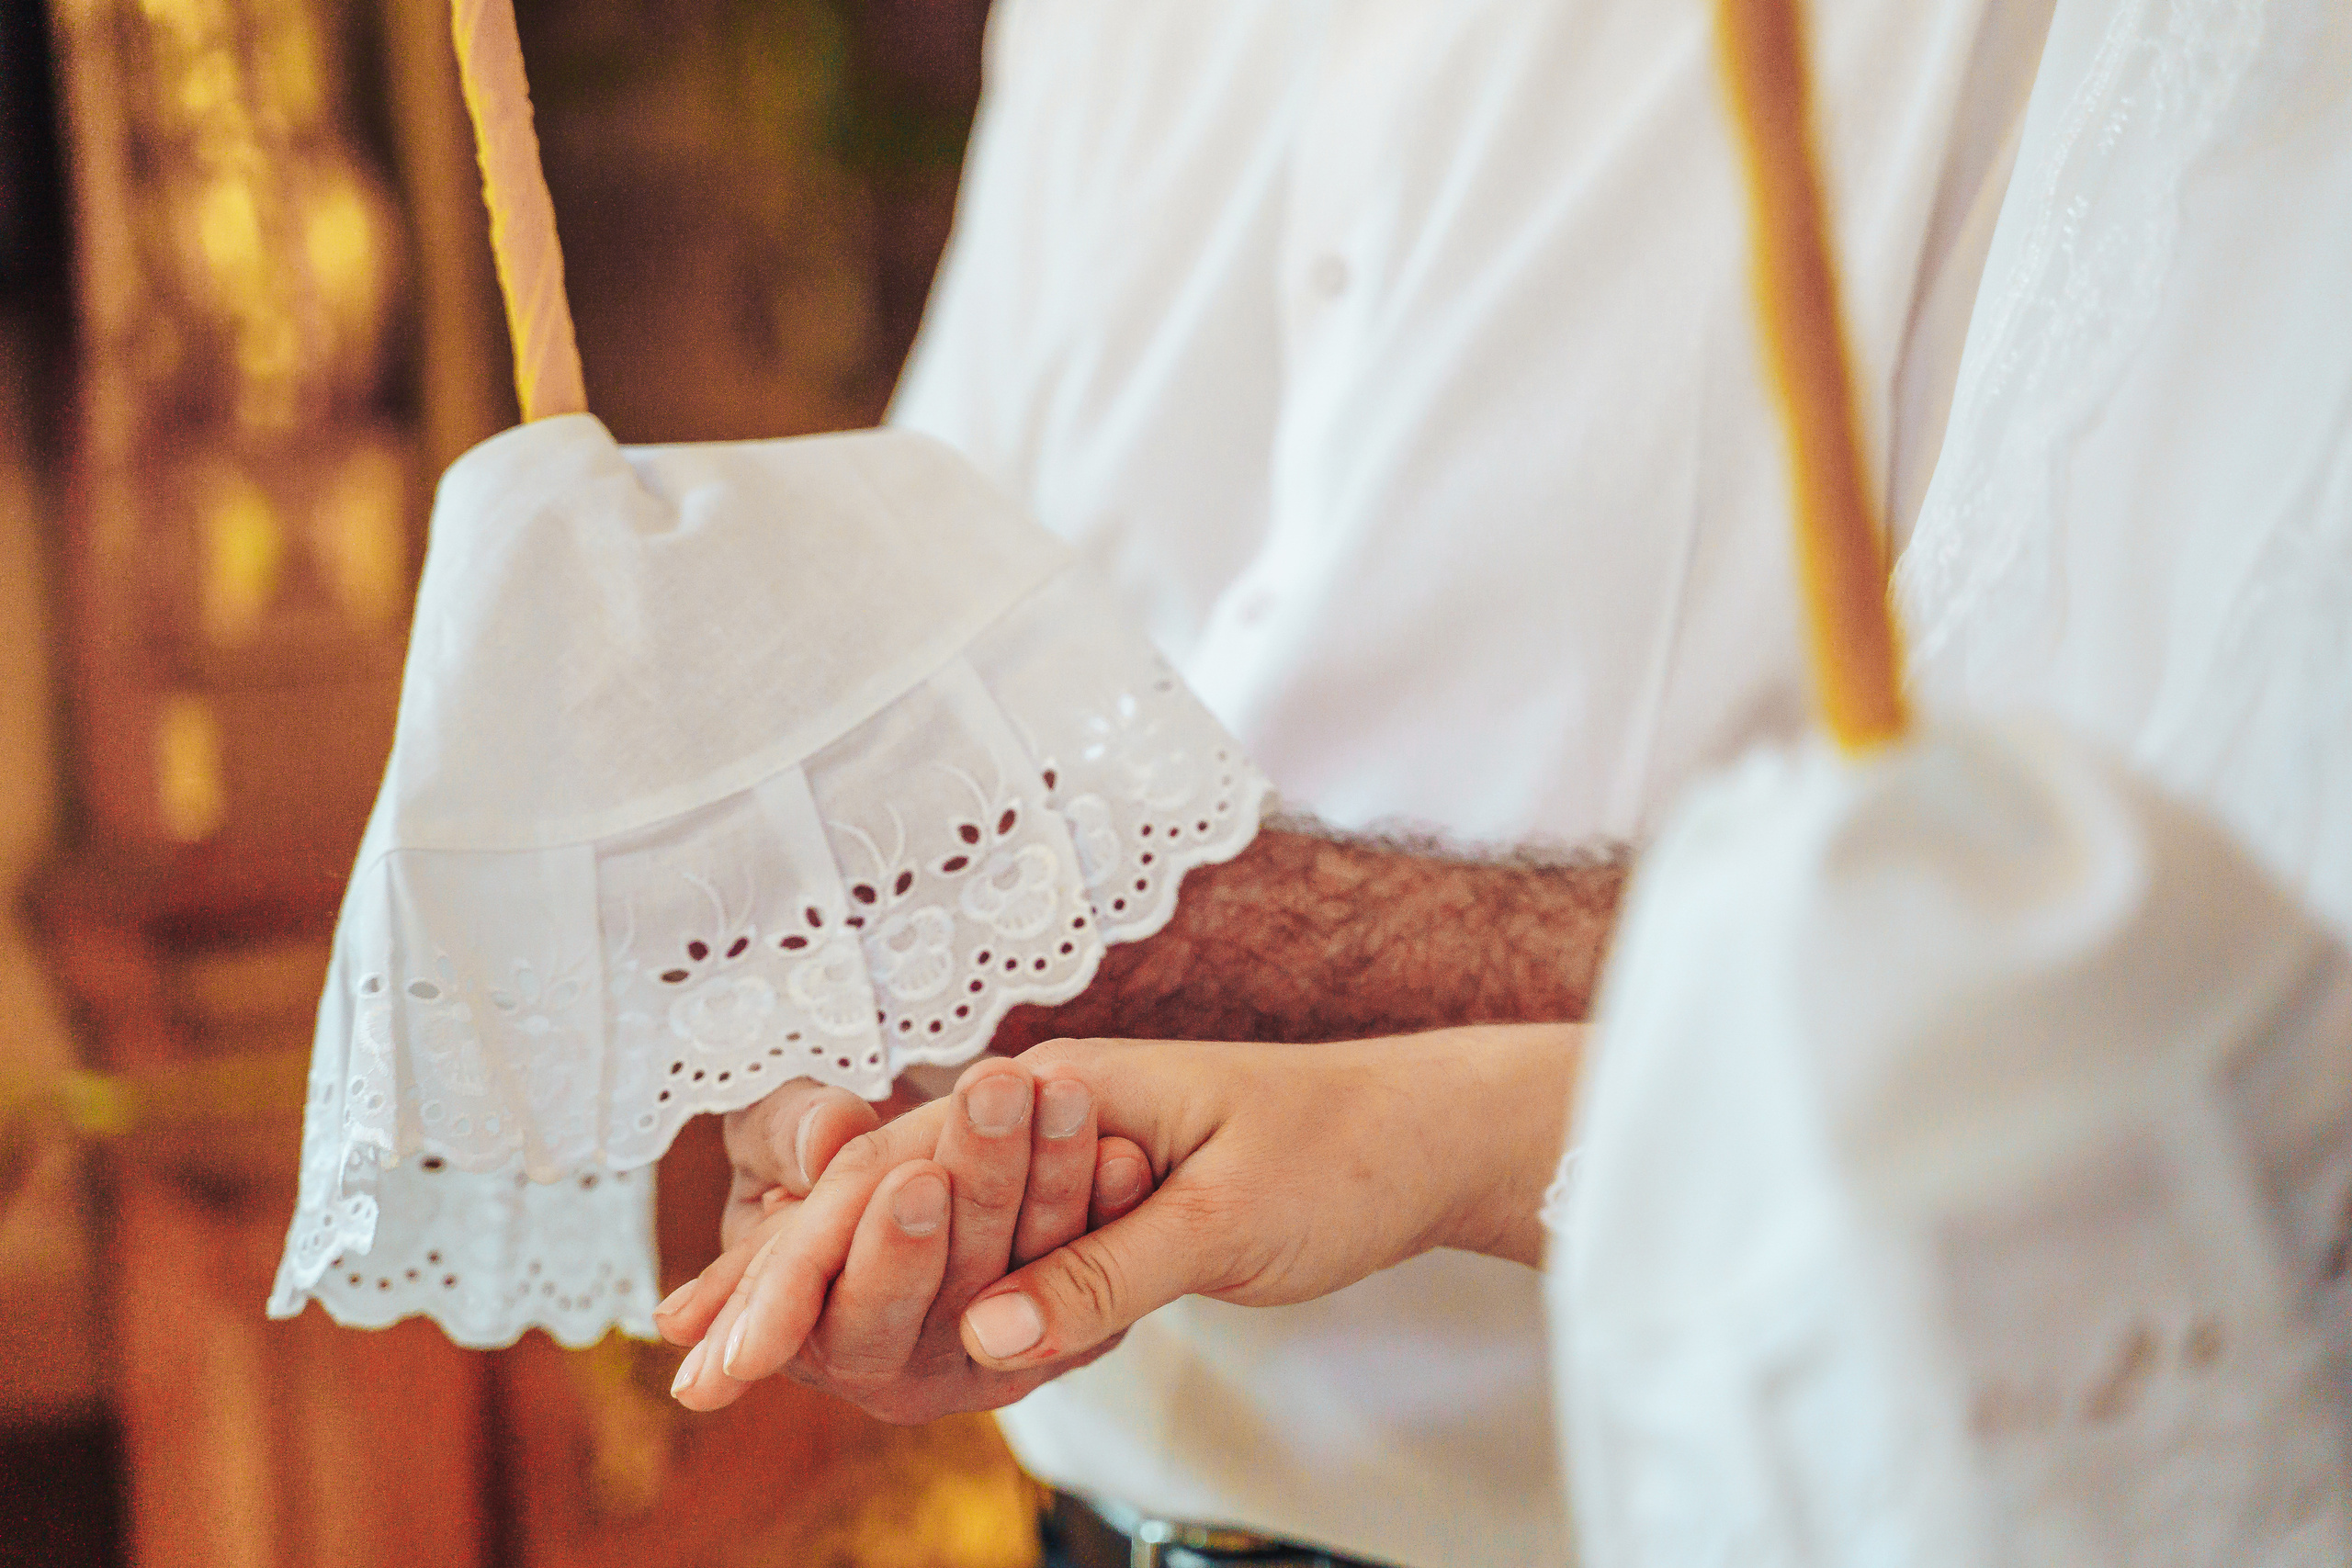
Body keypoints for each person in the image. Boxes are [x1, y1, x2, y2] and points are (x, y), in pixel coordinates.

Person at [664, 0, 2352, 1560]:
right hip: (1079, 1508)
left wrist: (1268, 979)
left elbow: (2178, 1009)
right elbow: (943, 691)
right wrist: (869, 1110)